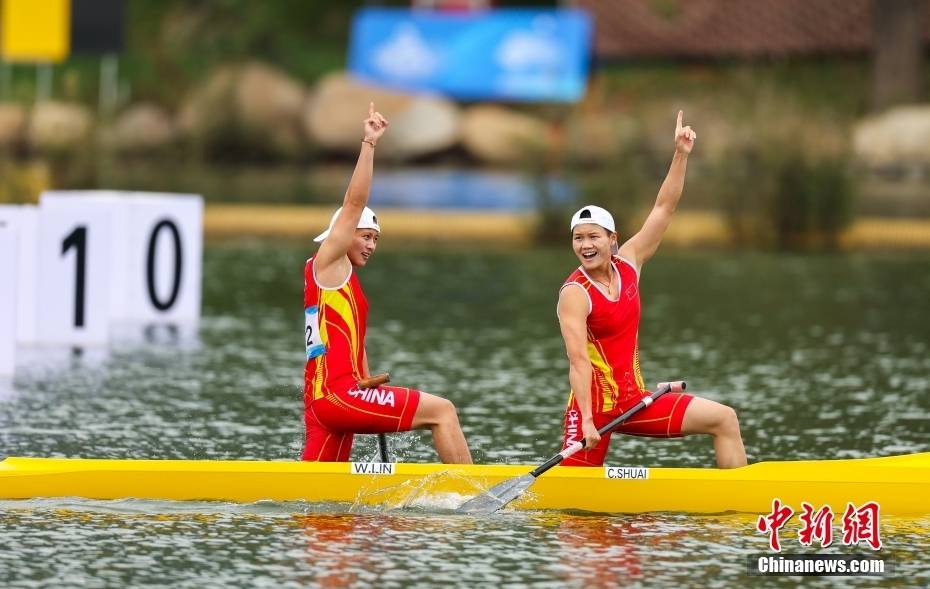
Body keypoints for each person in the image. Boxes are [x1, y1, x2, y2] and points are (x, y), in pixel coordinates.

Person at [556, 111, 747, 468]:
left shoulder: (630, 262)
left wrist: (680, 154)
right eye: (578, 238)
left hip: (636, 402)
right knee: (571, 499)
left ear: (612, 239)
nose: (585, 245)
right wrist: (586, 421)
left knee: (724, 419)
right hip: (592, 410)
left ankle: (741, 497)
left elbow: (664, 208)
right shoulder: (574, 293)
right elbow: (578, 360)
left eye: (593, 236)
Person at [302, 103, 472, 463]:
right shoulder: (329, 262)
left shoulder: (336, 282)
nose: (371, 245)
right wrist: (370, 143)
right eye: (365, 236)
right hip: (337, 397)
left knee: (319, 497)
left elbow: (347, 343)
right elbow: (354, 202)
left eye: (375, 239)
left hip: (323, 402)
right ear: (341, 235)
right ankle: (477, 493)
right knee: (443, 411)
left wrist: (364, 378)